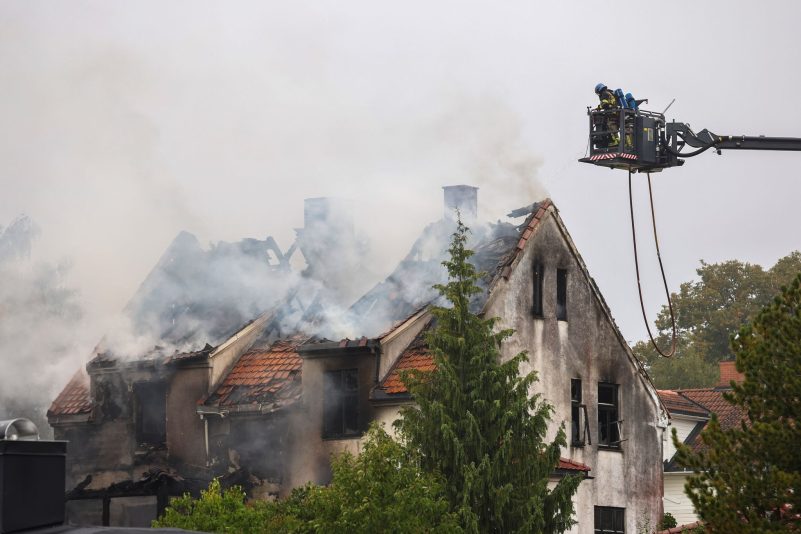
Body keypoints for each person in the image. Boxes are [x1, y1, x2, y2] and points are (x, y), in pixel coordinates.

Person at [594, 83, 620, 147]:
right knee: (614, 126)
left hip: (611, 113)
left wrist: (599, 107)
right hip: (616, 112)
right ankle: (616, 140)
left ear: (599, 89)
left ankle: (615, 141)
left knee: (610, 126)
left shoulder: (604, 94)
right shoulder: (610, 92)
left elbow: (604, 104)